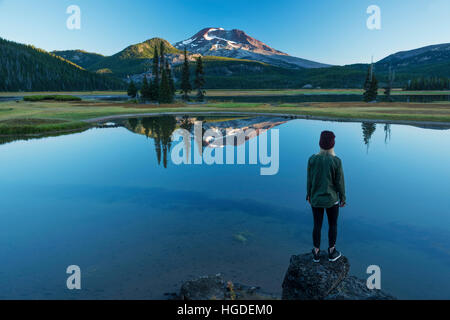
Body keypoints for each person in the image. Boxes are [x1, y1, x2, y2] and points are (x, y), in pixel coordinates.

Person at [306, 131, 346, 263]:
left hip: (316, 198)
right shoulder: (336, 161)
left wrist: (308, 194)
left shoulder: (312, 159)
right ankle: (331, 252)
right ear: (332, 144)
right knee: (332, 225)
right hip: (332, 200)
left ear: (320, 143)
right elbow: (339, 182)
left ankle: (316, 253)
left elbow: (309, 180)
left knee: (316, 225)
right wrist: (343, 197)